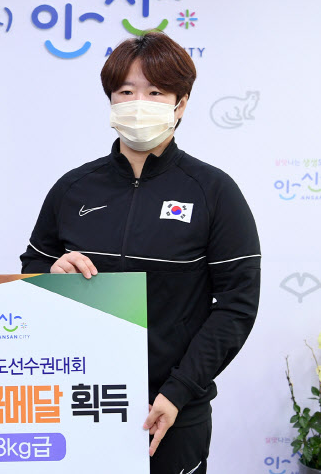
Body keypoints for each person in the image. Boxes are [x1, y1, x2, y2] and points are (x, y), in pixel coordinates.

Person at [20, 31, 260, 474]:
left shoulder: (213, 191)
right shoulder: (73, 188)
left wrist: (179, 391)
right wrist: (52, 271)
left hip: (171, 409)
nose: (138, 103)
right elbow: (32, 270)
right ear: (111, 101)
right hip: (81, 401)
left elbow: (236, 304)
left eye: (155, 92)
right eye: (126, 92)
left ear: (180, 104)